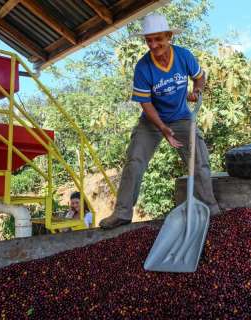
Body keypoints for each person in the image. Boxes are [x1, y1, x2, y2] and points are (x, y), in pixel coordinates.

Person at [99, 13, 220, 229]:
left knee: (198, 159)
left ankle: (210, 209)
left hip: (182, 117)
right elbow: (145, 103)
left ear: (169, 36)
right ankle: (122, 213)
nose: (154, 45)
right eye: (149, 40)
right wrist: (163, 128)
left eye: (158, 39)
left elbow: (200, 76)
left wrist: (197, 90)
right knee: (134, 161)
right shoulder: (143, 67)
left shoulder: (183, 56)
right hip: (152, 121)